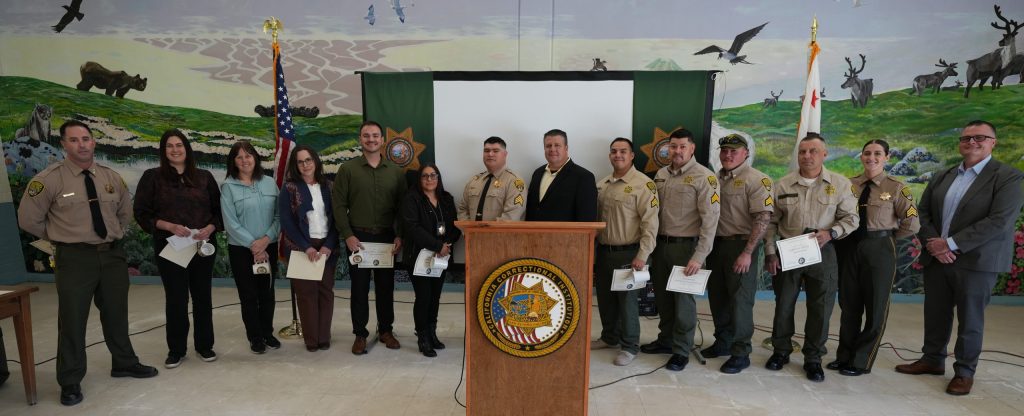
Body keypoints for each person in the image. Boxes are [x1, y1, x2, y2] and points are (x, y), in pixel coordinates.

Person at [18, 120, 158, 406]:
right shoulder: (49, 179)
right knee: (72, 319)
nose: (81, 144)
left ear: (94, 142)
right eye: (74, 140)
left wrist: (110, 238)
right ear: (64, 145)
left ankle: (124, 362)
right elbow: (29, 220)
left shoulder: (110, 176)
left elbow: (124, 213)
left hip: (111, 255)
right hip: (74, 258)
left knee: (117, 312)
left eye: (86, 138)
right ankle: (69, 381)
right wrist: (61, 237)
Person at [895, 120, 1024, 396]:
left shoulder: (1008, 176)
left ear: (993, 142)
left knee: (970, 319)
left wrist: (950, 244)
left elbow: (999, 221)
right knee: (936, 313)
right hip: (937, 257)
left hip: (976, 261)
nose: (972, 142)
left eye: (980, 137)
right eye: (966, 138)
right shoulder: (944, 175)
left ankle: (964, 371)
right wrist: (933, 244)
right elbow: (923, 212)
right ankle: (932, 359)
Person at [764, 133, 858, 382]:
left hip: (822, 249)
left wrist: (831, 233)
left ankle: (813, 358)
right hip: (789, 250)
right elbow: (771, 222)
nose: (807, 156)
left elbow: (851, 218)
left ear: (824, 154)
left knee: (821, 308)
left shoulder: (839, 184)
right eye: (802, 151)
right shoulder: (782, 185)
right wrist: (771, 252)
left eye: (813, 151)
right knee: (784, 305)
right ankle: (781, 351)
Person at [829, 139, 920, 376]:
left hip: (879, 246)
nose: (872, 157)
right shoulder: (850, 184)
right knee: (849, 305)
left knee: (875, 306)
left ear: (887, 157)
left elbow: (912, 223)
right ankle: (844, 355)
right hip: (849, 246)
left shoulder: (898, 188)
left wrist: (885, 239)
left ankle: (861, 360)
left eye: (878, 153)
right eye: (867, 153)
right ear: (861, 157)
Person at [135, 129, 223, 369]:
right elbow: (142, 214)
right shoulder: (152, 177)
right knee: (176, 298)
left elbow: (219, 211)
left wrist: (210, 227)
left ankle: (205, 346)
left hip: (202, 245)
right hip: (171, 246)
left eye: (179, 145)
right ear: (164, 151)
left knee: (202, 296)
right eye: (170, 146)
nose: (175, 149)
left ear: (187, 148)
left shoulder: (204, 177)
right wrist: (169, 226)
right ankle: (176, 350)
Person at [639, 128, 720, 372]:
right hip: (662, 246)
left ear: (692, 148)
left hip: (687, 249)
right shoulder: (661, 174)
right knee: (663, 300)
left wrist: (699, 256)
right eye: (673, 146)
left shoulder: (705, 178)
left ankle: (681, 350)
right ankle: (666, 341)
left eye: (682, 146)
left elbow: (711, 221)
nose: (676, 151)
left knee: (683, 303)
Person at [332, 121, 406, 355]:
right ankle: (360, 334)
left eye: (375, 136)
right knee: (360, 288)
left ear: (382, 140)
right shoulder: (348, 169)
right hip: (359, 239)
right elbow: (338, 204)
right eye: (366, 136)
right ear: (360, 139)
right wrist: (348, 235)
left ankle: (386, 330)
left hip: (386, 238)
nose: (371, 139)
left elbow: (403, 208)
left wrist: (399, 235)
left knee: (386, 288)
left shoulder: (395, 171)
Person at [703, 134, 773, 374]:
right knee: (718, 297)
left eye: (734, 150)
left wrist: (747, 253)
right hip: (716, 246)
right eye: (724, 150)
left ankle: (741, 352)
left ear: (746, 153)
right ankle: (722, 342)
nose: (728, 155)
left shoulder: (757, 180)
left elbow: (763, 219)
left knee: (740, 302)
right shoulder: (716, 179)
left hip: (740, 247)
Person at [592, 138, 659, 367]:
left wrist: (642, 255)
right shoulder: (603, 185)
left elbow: (650, 224)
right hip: (604, 252)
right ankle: (610, 337)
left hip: (629, 253)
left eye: (623, 151)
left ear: (632, 155)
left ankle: (630, 346)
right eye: (613, 151)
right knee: (606, 299)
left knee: (628, 303)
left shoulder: (644, 184)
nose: (617, 155)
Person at [220, 140, 281, 354]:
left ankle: (267, 332)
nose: (245, 160)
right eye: (239, 157)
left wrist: (266, 240)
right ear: (233, 162)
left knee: (267, 293)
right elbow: (230, 223)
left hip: (269, 246)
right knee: (248, 295)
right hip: (241, 250)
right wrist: (254, 245)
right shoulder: (228, 186)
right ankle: (255, 337)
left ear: (255, 158)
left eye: (248, 155)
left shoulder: (269, 183)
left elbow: (278, 215)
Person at [280, 145, 340, 352]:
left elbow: (337, 220)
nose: (305, 165)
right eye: (300, 161)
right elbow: (287, 222)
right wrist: (306, 247)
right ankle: (311, 340)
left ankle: (324, 337)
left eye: (308, 160)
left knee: (325, 292)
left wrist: (329, 246)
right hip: (301, 246)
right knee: (306, 294)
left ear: (315, 161)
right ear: (295, 165)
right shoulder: (289, 188)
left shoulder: (330, 186)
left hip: (326, 247)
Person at [400, 164, 462, 357]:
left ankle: (432, 333)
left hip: (441, 257)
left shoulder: (446, 198)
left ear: (438, 177)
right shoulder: (411, 199)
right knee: (424, 297)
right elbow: (412, 228)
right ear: (419, 179)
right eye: (425, 176)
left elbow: (455, 225)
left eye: (433, 175)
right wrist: (437, 246)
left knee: (435, 297)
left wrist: (448, 244)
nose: (429, 179)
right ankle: (423, 337)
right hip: (418, 258)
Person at [525, 129, 598, 222]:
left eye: (557, 145)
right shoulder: (537, 173)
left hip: (566, 236)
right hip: (534, 235)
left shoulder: (584, 177)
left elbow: (587, 220)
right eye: (548, 146)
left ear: (566, 148)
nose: (552, 149)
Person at [457, 136, 526, 221]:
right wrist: (470, 232)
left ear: (505, 154)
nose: (490, 154)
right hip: (470, 234)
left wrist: (484, 233)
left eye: (495, 151)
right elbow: (462, 210)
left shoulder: (514, 181)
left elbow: (511, 217)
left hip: (500, 234)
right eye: (486, 151)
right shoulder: (474, 181)